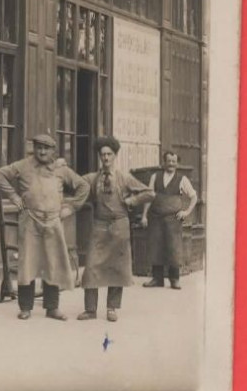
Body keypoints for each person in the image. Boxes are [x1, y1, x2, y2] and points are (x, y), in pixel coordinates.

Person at [0, 134, 89, 322]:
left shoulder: (61, 169)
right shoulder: (23, 165)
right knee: (27, 263)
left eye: (46, 148)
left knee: (53, 264)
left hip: (53, 221)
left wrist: (70, 208)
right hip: (30, 220)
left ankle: (52, 307)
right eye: (38, 147)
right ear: (34, 149)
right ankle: (25, 307)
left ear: (53, 151)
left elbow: (83, 186)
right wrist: (14, 197)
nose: (42, 152)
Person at [78, 137, 153, 322]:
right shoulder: (92, 178)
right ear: (99, 156)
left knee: (117, 267)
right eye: (102, 154)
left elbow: (150, 193)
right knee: (91, 266)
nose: (105, 158)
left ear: (115, 156)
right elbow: (76, 184)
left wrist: (132, 200)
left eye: (109, 154)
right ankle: (90, 309)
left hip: (120, 226)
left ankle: (112, 308)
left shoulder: (124, 177)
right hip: (99, 225)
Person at [140, 150, 198, 289]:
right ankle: (157, 279)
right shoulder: (155, 177)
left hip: (173, 219)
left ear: (177, 163)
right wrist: (144, 215)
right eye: (169, 161)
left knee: (174, 248)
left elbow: (194, 197)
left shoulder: (182, 179)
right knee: (156, 246)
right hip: (156, 217)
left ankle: (174, 279)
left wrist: (186, 212)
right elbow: (149, 197)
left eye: (174, 161)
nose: (171, 164)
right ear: (164, 162)